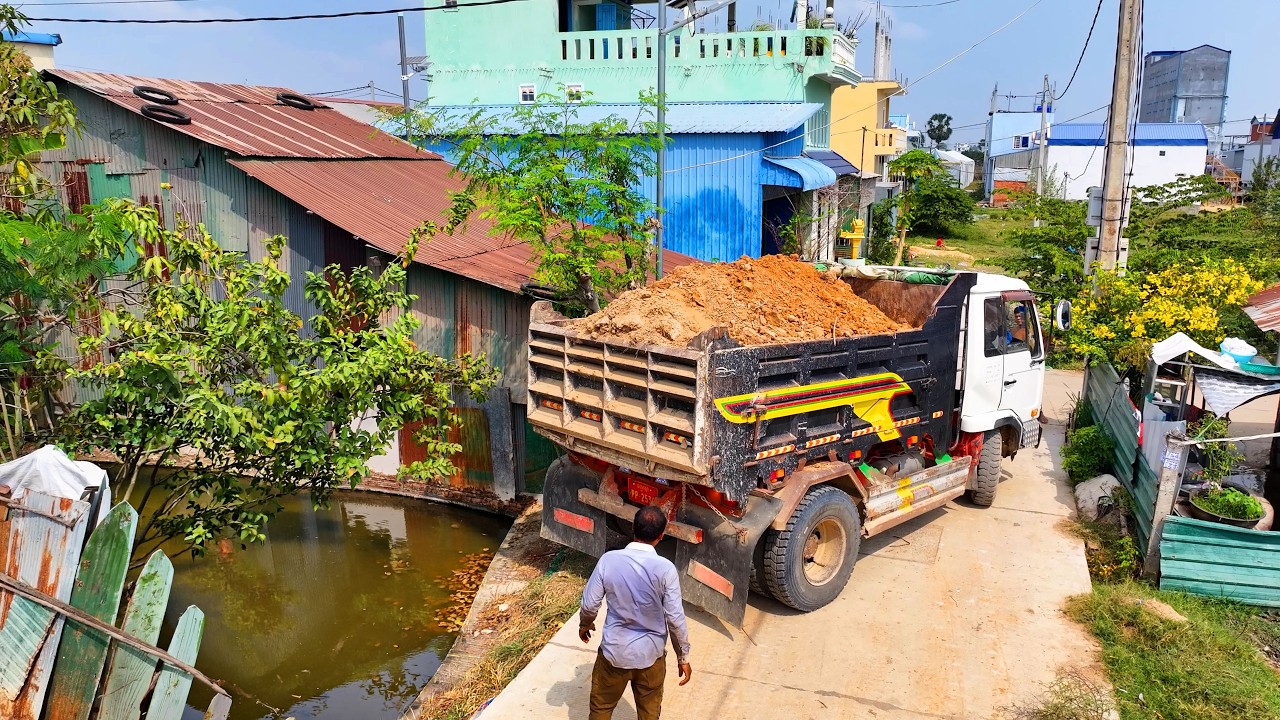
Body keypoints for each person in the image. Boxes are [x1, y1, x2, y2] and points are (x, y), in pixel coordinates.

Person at [579, 505, 692, 720]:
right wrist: (683, 656)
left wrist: (585, 624)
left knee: (601, 710)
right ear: (661, 535)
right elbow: (675, 619)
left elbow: (590, 604)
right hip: (651, 657)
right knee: (649, 715)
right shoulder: (666, 569)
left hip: (614, 654)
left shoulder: (608, 560)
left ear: (633, 527)